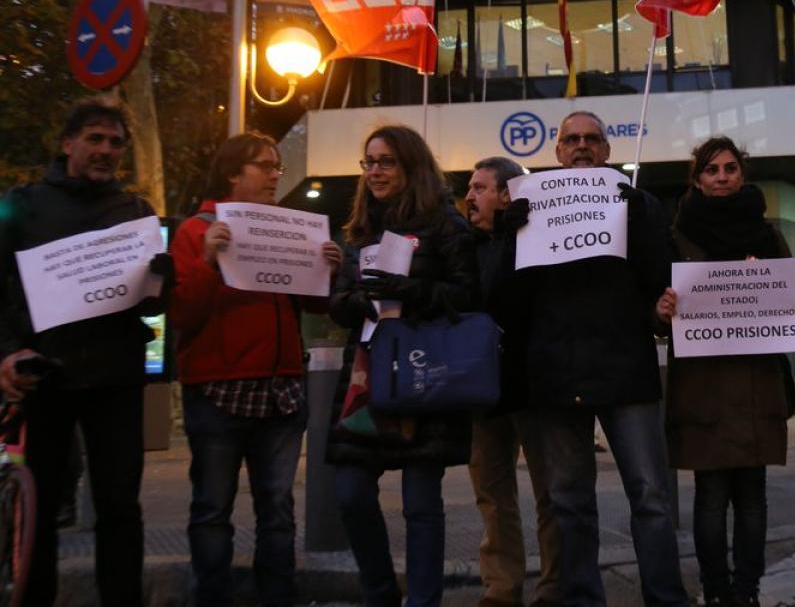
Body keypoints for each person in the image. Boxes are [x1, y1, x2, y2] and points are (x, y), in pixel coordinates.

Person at [502, 110, 688, 606]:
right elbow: (506, 300)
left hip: (626, 367)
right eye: (572, 139)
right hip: (557, 374)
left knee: (650, 496)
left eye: (592, 138)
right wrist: (508, 236)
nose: (582, 146)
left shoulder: (640, 204)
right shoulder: (529, 210)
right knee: (568, 501)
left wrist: (641, 217)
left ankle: (666, 598)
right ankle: (583, 599)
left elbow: (662, 278)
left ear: (607, 150)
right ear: (558, 151)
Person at [0, 97, 172, 606]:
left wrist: (163, 279)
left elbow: (150, 308)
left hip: (115, 379)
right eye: (95, 139)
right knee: (42, 509)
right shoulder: (22, 205)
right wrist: (7, 354)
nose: (106, 150)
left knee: (121, 507)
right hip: (43, 379)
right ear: (67, 143)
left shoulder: (136, 213)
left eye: (115, 142)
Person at [169, 131, 342, 607]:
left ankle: (278, 596)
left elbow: (314, 303)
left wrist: (326, 268)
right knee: (211, 510)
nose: (273, 175)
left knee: (279, 512)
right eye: (264, 166)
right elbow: (182, 314)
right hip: (217, 393)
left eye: (276, 167)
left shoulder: (283, 229)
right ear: (232, 174)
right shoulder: (193, 232)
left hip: (280, 391)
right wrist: (207, 262)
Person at [652, 136, 795, 607]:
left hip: (757, 383)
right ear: (697, 179)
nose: (722, 177)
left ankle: (747, 591)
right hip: (703, 386)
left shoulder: (767, 235)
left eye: (730, 168)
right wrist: (661, 309)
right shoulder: (676, 237)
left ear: (741, 174)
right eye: (712, 170)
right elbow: (658, 312)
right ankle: (717, 591)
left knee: (752, 496)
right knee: (710, 496)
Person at [327, 124, 479, 607]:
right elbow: (338, 302)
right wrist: (355, 302)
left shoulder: (446, 225)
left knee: (420, 503)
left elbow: (469, 295)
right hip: (367, 375)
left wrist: (411, 292)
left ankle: (424, 601)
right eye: (368, 161)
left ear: (411, 166)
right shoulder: (360, 229)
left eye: (385, 161)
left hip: (423, 371)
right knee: (350, 493)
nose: (374, 171)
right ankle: (380, 593)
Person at [465, 155, 561, 607]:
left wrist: (511, 236)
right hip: (483, 389)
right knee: (492, 493)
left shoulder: (535, 242)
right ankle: (501, 590)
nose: (469, 197)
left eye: (480, 188)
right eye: (469, 188)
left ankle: (553, 588)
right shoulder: (465, 246)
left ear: (507, 194)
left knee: (551, 493)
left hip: (531, 384)